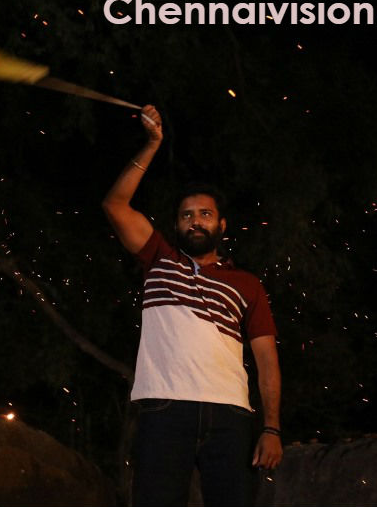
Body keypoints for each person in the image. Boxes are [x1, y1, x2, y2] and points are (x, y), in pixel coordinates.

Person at [102, 105, 283, 506]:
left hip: (231, 415)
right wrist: (152, 145)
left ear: (221, 225)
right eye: (186, 215)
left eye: (205, 214)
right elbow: (115, 205)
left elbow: (266, 359)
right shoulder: (159, 260)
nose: (195, 221)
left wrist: (271, 428)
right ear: (177, 224)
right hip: (165, 409)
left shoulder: (247, 284)